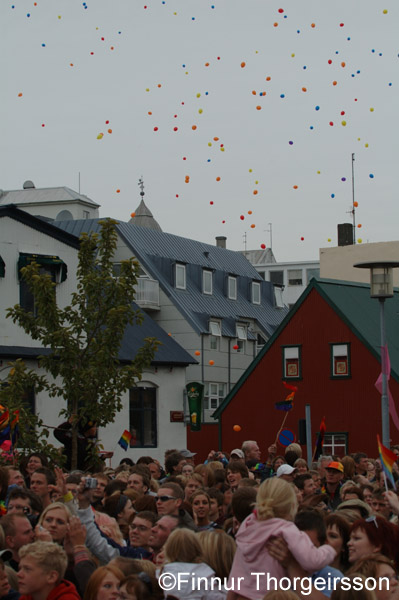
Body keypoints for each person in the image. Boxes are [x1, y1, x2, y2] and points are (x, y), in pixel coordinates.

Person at [226, 477, 336, 599]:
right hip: (273, 595)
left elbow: (235, 575)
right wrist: (329, 550)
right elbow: (312, 561)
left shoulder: (248, 526)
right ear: (292, 505)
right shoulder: (286, 529)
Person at [159, 528, 222, 600]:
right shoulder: (206, 573)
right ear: (197, 548)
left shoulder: (164, 572)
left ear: (169, 550)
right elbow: (213, 597)